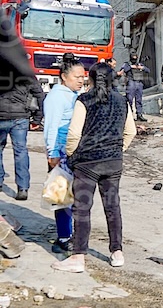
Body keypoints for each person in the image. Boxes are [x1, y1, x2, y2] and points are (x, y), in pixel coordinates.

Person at [51, 62, 136, 273]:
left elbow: (73, 134)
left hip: (87, 163)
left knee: (82, 208)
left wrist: (72, 154)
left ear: (90, 79)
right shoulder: (122, 101)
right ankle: (117, 252)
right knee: (112, 207)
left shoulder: (84, 100)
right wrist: (118, 150)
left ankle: (78, 257)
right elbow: (131, 131)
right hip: (113, 162)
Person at [43, 54, 85, 253]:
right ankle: (63, 236)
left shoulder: (74, 95)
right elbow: (51, 126)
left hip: (74, 150)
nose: (81, 80)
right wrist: (52, 152)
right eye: (77, 76)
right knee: (62, 196)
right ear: (64, 77)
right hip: (60, 152)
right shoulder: (56, 96)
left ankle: (73, 233)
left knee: (74, 194)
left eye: (83, 76)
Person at [0, 57, 44, 201]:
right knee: (20, 151)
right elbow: (39, 95)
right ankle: (23, 188)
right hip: (20, 117)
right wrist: (37, 118)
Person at [119, 52, 149, 121]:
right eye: (133, 58)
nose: (134, 60)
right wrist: (131, 67)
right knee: (129, 99)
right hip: (131, 82)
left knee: (139, 100)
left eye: (135, 58)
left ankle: (139, 114)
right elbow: (123, 70)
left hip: (139, 83)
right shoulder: (127, 64)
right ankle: (129, 115)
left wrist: (142, 67)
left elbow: (148, 70)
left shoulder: (139, 64)